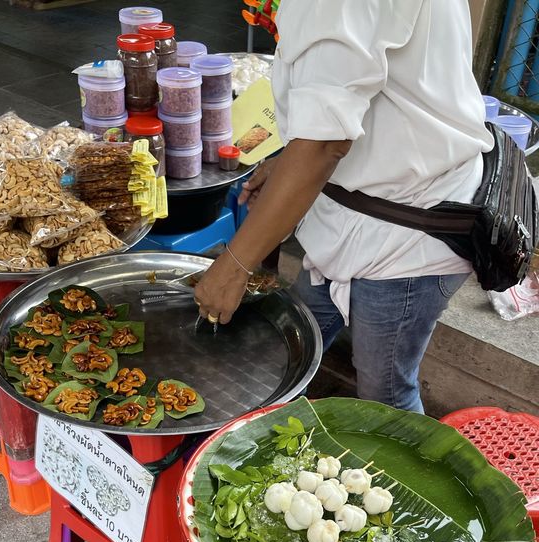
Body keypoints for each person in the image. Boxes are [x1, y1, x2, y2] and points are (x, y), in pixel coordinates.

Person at [194, 0, 493, 413]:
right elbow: (374, 90)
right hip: (354, 214)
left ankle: (396, 475)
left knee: (386, 399)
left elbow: (323, 144)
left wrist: (233, 265)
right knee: (288, 343)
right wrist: (286, 165)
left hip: (406, 232)